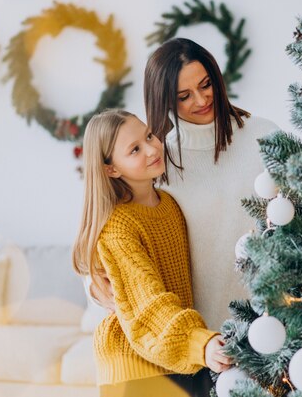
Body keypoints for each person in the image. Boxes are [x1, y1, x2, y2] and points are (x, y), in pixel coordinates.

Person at [72, 109, 231, 397]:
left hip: (178, 358)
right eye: (135, 149)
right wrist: (199, 343)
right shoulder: (118, 227)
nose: (152, 148)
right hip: (135, 365)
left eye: (148, 136)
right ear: (112, 169)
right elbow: (148, 304)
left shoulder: (170, 204)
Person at [143, 38, 279, 330]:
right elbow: (120, 226)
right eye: (184, 96)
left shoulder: (264, 136)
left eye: (206, 85)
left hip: (275, 328)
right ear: (164, 100)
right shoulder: (158, 163)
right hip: (202, 343)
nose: (202, 100)